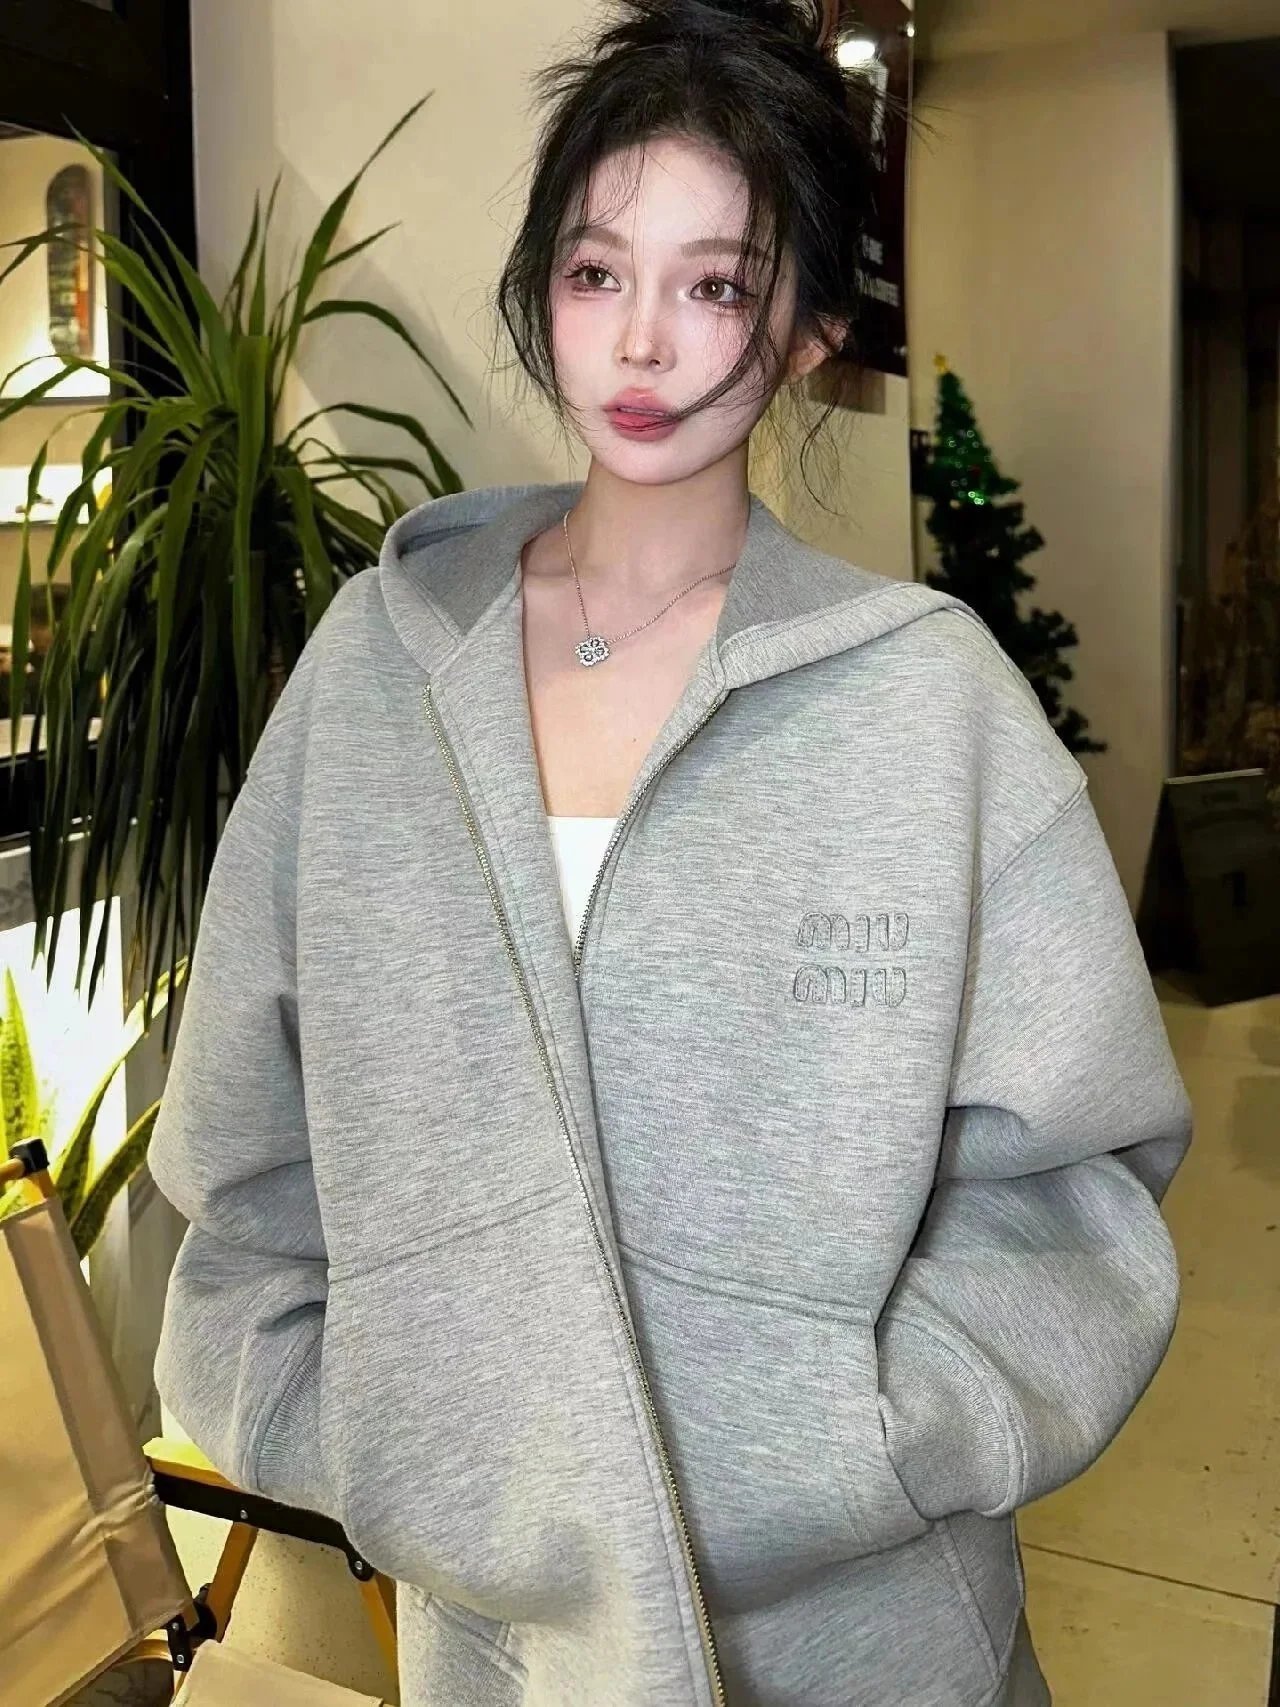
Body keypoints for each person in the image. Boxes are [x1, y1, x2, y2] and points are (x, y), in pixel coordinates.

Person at [147, 2, 1193, 1703]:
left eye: (716, 285)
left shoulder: (929, 709)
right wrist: (380, 1441)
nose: (641, 342)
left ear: (811, 329)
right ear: (540, 294)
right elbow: (246, 1143)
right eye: (595, 271)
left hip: (870, 1647)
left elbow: (1074, 1184)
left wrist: (858, 1440)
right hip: (500, 1651)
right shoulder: (377, 673)